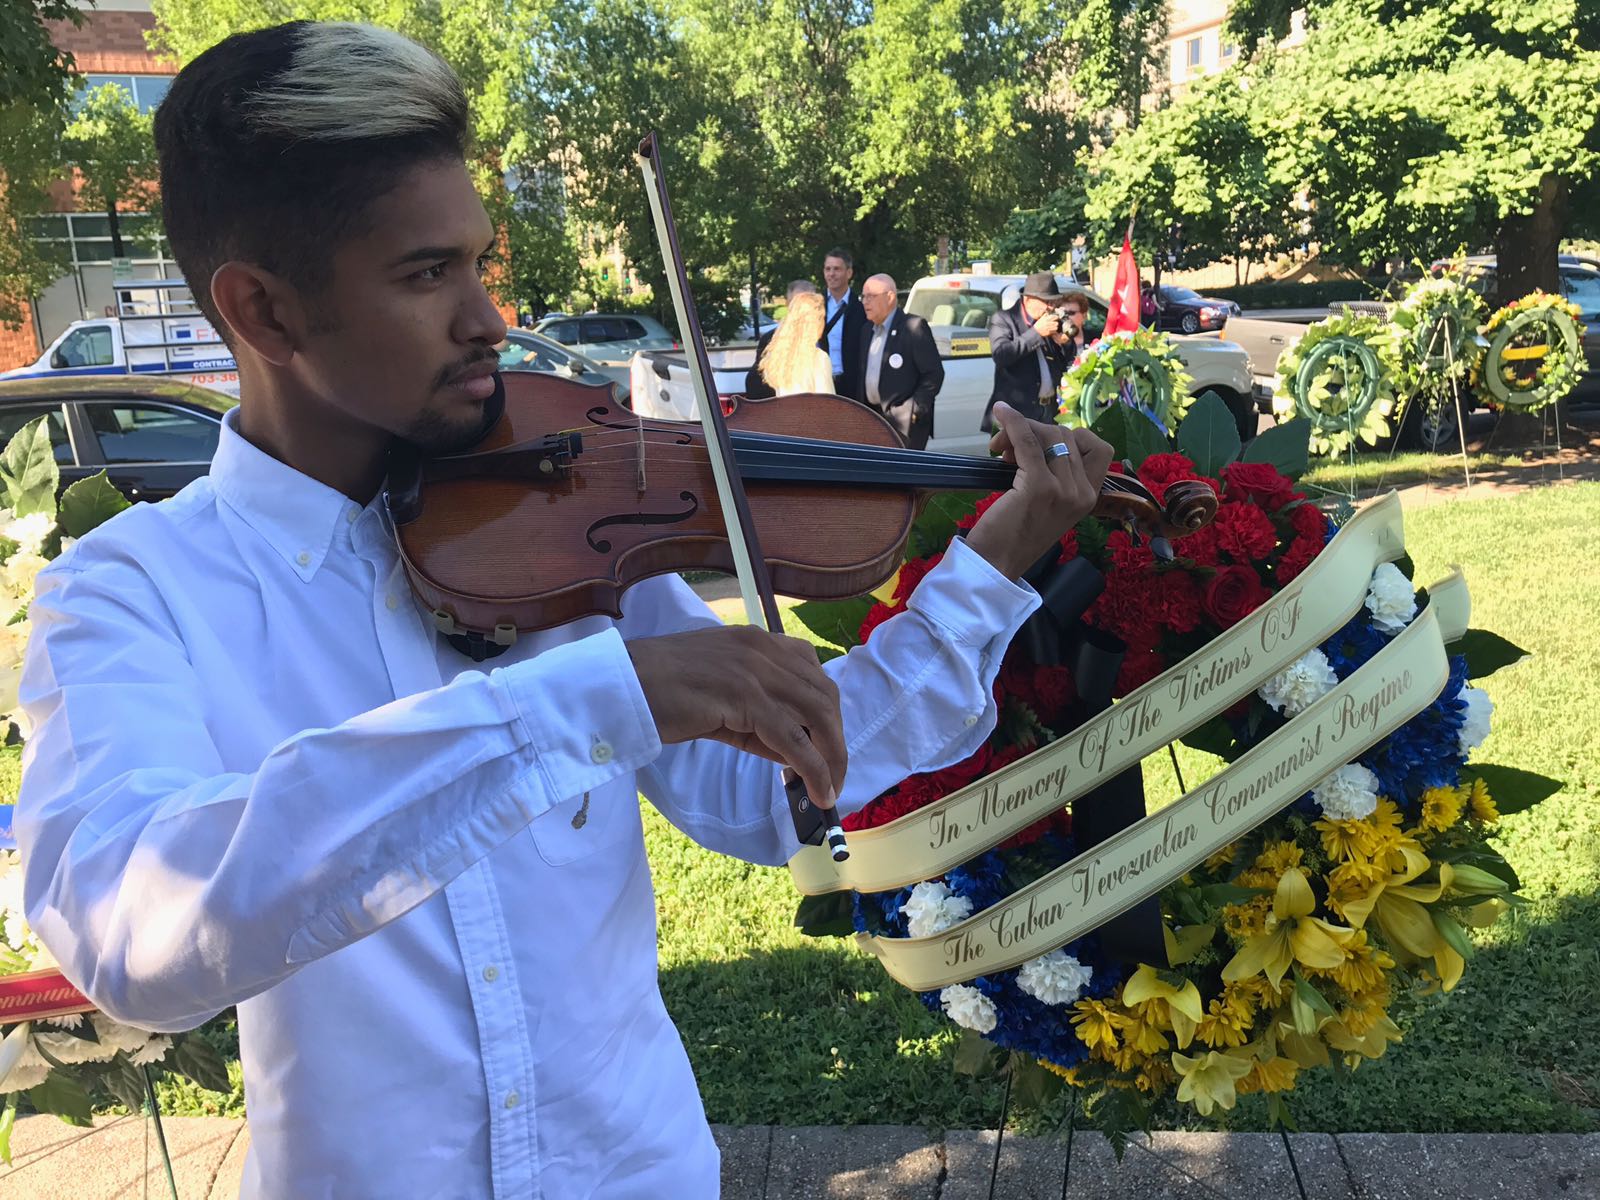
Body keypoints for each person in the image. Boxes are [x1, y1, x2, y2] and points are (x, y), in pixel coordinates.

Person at [14, 22, 1112, 1200]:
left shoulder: (566, 531)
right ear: (266, 315)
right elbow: (132, 928)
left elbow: (764, 784)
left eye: (476, 264)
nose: (488, 318)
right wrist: (573, 707)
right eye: (427, 274)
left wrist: (997, 557)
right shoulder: (133, 591)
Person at [983, 271, 1082, 430]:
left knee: (1049, 455)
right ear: (1027, 299)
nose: (1051, 307)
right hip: (1016, 412)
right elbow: (1001, 355)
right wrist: (1036, 333)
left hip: (1049, 410)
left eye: (1053, 302)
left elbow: (1066, 363)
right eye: (1046, 302)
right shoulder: (1004, 319)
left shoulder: (1050, 319)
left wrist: (1064, 343)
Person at [857, 273, 944, 450]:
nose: (865, 302)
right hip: (873, 418)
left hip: (905, 424)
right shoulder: (867, 330)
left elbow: (934, 373)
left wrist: (914, 409)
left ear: (890, 297)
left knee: (904, 475)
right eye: (863, 296)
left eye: (871, 296)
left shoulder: (913, 327)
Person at [742, 278, 818, 399]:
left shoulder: (823, 337)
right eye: (796, 303)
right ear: (788, 304)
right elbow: (754, 384)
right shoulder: (770, 340)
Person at [757, 290, 834, 396]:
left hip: (785, 412)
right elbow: (828, 404)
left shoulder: (778, 356)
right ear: (817, 321)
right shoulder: (819, 358)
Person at [822, 247, 868, 400]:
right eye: (828, 269)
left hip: (851, 385)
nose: (831, 274)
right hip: (821, 383)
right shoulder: (815, 306)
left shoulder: (862, 308)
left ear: (849, 273)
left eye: (837, 269)